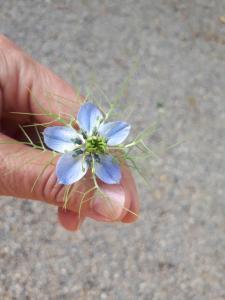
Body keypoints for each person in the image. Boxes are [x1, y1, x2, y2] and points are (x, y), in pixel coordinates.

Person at [0, 34, 139, 231]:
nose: (95, 144)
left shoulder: (106, 162)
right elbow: (55, 141)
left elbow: (116, 136)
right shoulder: (67, 145)